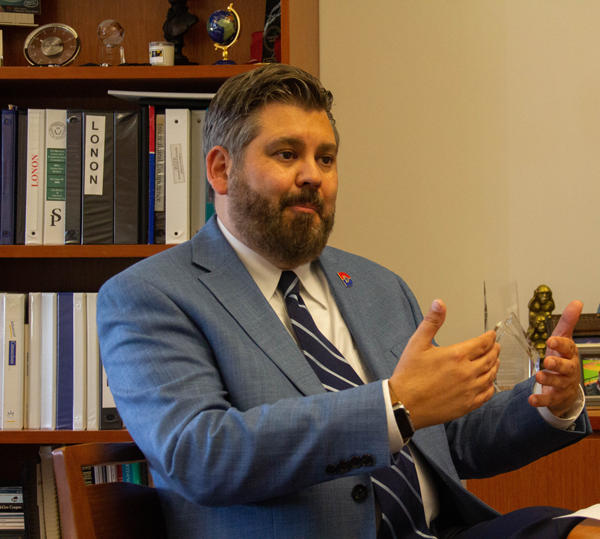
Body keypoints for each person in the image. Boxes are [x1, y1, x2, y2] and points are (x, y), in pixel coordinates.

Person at [97, 64, 592, 539]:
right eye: (287, 154)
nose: (313, 175)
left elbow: (448, 443)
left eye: (326, 158)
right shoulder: (150, 295)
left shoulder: (379, 286)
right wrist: (393, 407)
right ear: (222, 169)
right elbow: (201, 455)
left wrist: (552, 405)